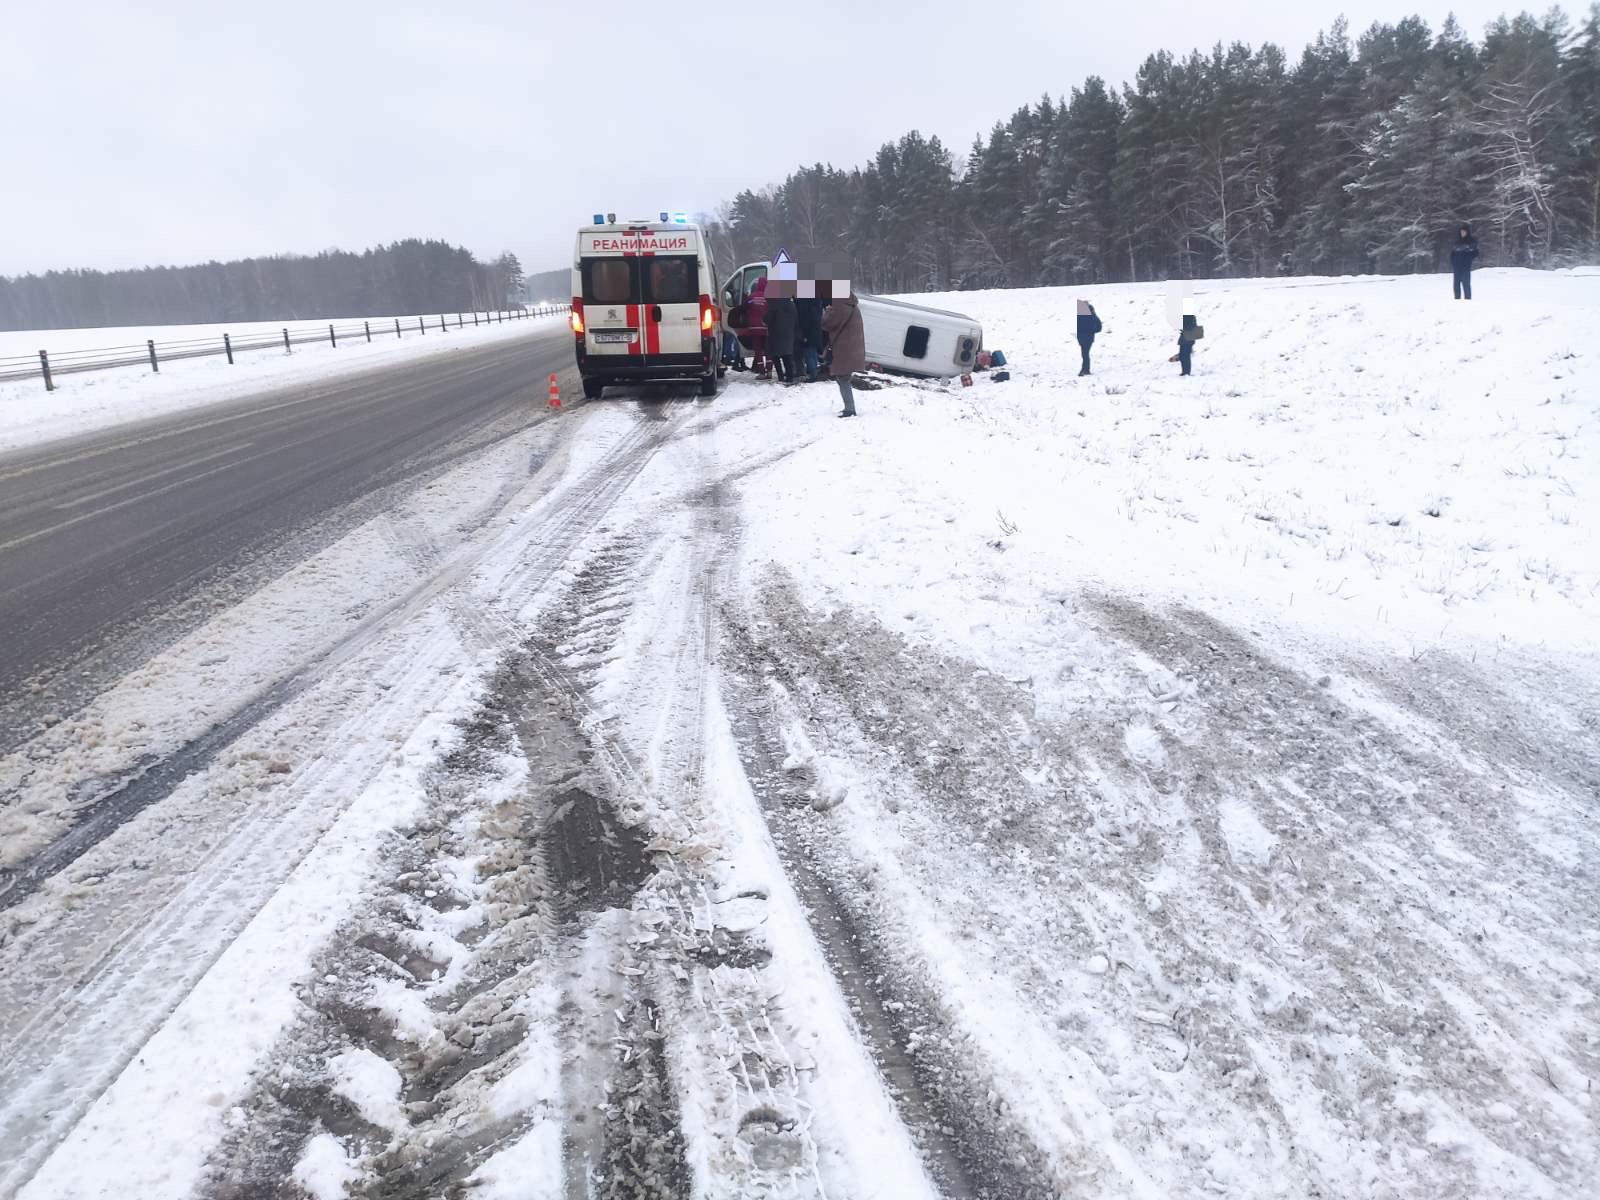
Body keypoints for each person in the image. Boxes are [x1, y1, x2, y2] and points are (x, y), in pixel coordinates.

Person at [820, 289, 865, 417]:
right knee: (843, 377)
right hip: (851, 346)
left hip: (843, 347)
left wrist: (827, 310)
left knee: (843, 377)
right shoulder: (853, 304)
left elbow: (827, 324)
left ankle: (850, 409)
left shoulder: (840, 305)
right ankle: (849, 407)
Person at [764, 293, 798, 384]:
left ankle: (780, 376)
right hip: (789, 333)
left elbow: (766, 318)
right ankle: (790, 377)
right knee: (787, 356)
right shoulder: (792, 304)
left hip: (776, 333)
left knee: (775, 356)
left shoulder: (774, 304)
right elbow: (796, 319)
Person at [795, 294, 825, 381]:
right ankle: (813, 372)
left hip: (808, 332)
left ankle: (813, 374)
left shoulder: (805, 304)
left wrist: (804, 334)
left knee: (809, 352)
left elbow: (805, 319)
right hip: (816, 331)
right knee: (813, 351)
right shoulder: (817, 302)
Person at [1450, 224, 1479, 300]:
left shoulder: (1471, 241)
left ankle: (1468, 300)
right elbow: (1452, 254)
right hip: (1456, 267)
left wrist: (1468, 258)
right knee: (1456, 285)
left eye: (1464, 232)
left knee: (1466, 284)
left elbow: (1476, 253)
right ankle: (1457, 299)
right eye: (1461, 232)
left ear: (1467, 232)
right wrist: (1453, 263)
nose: (1462, 233)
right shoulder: (1457, 242)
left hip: (1465, 267)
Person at [1075, 300, 1102, 376]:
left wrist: (1090, 330)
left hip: (1086, 338)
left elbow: (1098, 328)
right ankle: (1085, 369)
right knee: (1085, 354)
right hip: (1087, 338)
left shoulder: (1087, 316)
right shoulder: (1092, 316)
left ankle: (1085, 369)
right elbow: (1098, 327)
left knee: (1085, 354)